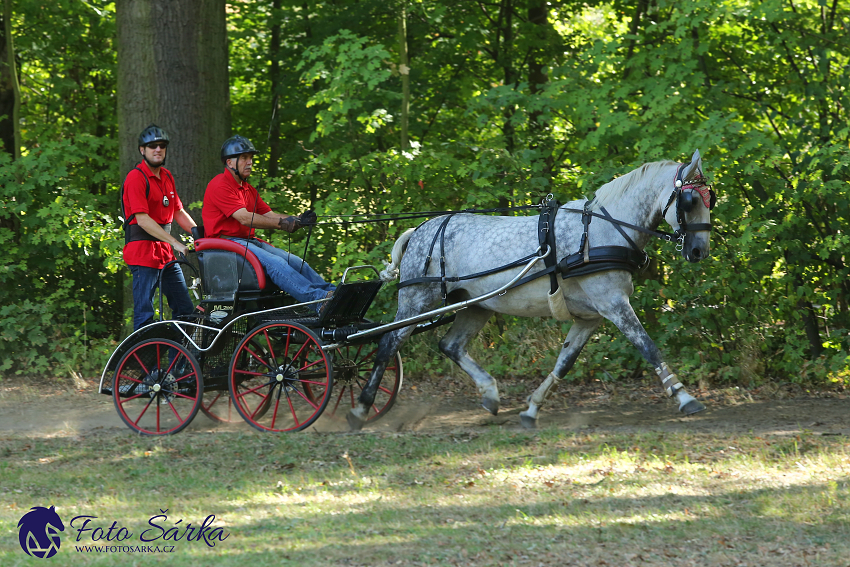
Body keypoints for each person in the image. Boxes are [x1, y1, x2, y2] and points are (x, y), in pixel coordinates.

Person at [201, 135, 335, 311]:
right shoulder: (220, 184)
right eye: (244, 158)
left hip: (246, 243)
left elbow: (270, 215)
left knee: (295, 261)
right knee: (276, 263)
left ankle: (332, 294)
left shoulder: (248, 190)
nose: (249, 162)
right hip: (226, 245)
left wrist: (298, 220)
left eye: (250, 158)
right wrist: (282, 224)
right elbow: (245, 218)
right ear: (230, 163)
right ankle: (317, 300)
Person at [121, 124, 197, 331]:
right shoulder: (136, 177)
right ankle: (145, 363)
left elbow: (178, 212)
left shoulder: (167, 176)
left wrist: (200, 234)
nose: (158, 149)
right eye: (152, 145)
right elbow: (143, 219)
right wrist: (176, 243)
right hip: (142, 254)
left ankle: (180, 362)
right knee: (145, 315)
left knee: (185, 310)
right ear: (142, 150)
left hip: (165, 255)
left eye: (162, 145)